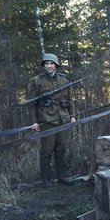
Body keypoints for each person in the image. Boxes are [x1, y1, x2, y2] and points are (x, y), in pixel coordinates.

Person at [27, 53, 77, 187]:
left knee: (61, 150)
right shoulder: (36, 81)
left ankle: (62, 177)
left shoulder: (64, 80)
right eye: (46, 63)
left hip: (63, 118)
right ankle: (46, 180)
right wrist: (34, 121)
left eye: (51, 63)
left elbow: (70, 99)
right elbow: (31, 103)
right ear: (44, 65)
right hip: (46, 120)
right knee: (46, 151)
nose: (49, 66)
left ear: (56, 65)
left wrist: (72, 116)